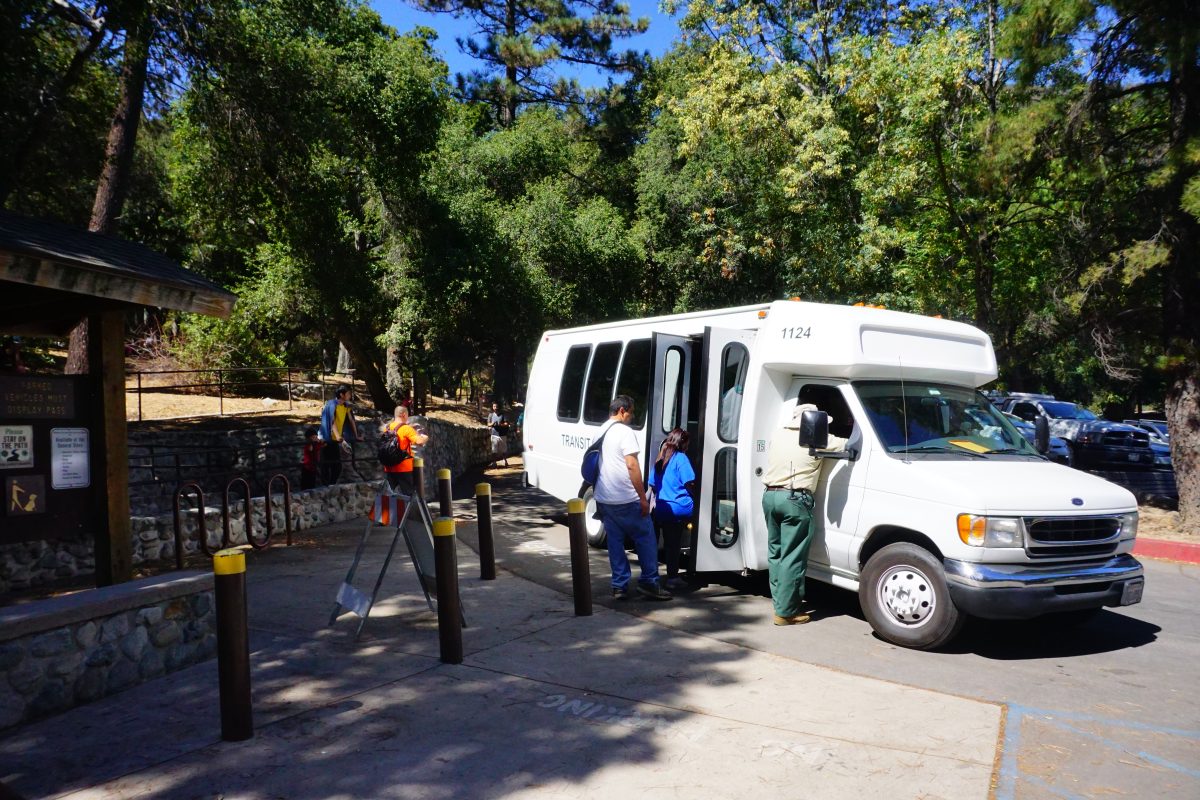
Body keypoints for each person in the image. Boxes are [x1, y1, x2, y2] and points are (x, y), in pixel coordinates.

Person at [760, 401, 847, 625]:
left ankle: (780, 601)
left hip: (770, 496)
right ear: (814, 422)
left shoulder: (778, 434)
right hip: (795, 500)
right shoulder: (816, 438)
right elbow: (850, 444)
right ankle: (786, 612)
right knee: (792, 557)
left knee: (776, 553)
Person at [593, 395, 671, 601]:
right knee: (646, 538)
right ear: (622, 411)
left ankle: (619, 586)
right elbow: (632, 465)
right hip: (625, 499)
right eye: (631, 411)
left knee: (615, 542)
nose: (632, 415)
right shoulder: (625, 433)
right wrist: (642, 498)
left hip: (604, 498)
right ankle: (649, 582)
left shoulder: (600, 430)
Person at [648, 428, 695, 591]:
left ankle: (651, 577)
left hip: (661, 509)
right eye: (687, 443)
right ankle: (673, 578)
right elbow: (689, 483)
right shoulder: (681, 458)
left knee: (661, 543)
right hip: (679, 509)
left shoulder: (661, 458)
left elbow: (652, 484)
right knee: (673, 546)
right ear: (683, 442)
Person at [382, 404, 428, 495]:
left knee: (389, 495)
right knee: (409, 495)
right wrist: (425, 437)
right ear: (403, 415)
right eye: (407, 415)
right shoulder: (406, 428)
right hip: (404, 467)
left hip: (389, 467)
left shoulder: (387, 428)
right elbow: (419, 442)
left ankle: (391, 509)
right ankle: (410, 510)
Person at [319, 385, 359, 485]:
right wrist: (337, 436)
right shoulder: (332, 405)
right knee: (327, 465)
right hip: (327, 439)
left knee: (336, 466)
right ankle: (326, 486)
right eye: (348, 394)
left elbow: (351, 420)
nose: (350, 396)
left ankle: (330, 485)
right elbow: (331, 421)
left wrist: (356, 435)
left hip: (336, 440)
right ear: (341, 394)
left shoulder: (345, 406)